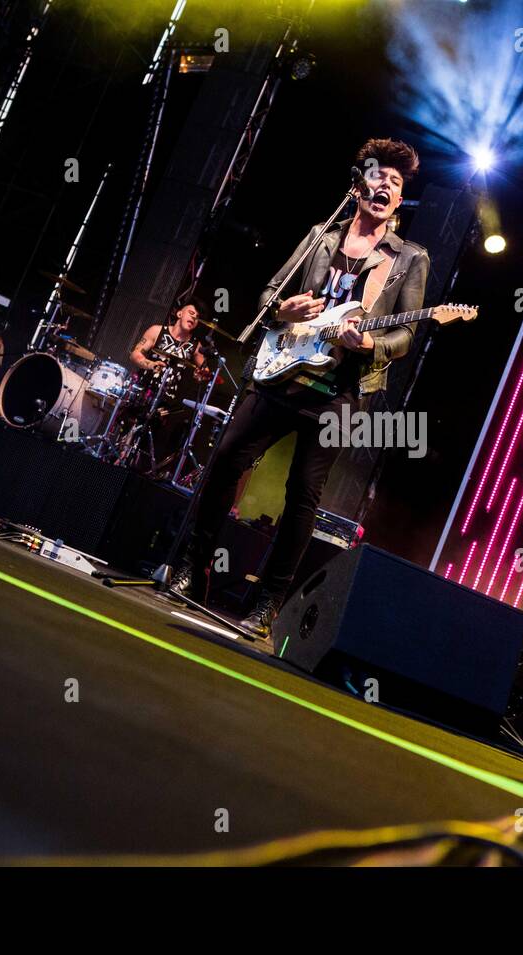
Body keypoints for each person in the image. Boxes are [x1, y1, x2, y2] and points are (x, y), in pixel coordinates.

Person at [168, 138, 430, 644]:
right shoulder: (320, 235)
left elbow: (407, 335)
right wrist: (282, 310)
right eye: (379, 176)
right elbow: (270, 292)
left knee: (302, 496)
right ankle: (193, 568)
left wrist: (371, 340)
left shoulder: (408, 259)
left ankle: (268, 602)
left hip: (340, 391)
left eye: (396, 184)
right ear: (360, 186)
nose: (386, 186)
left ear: (399, 202)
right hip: (283, 370)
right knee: (225, 458)